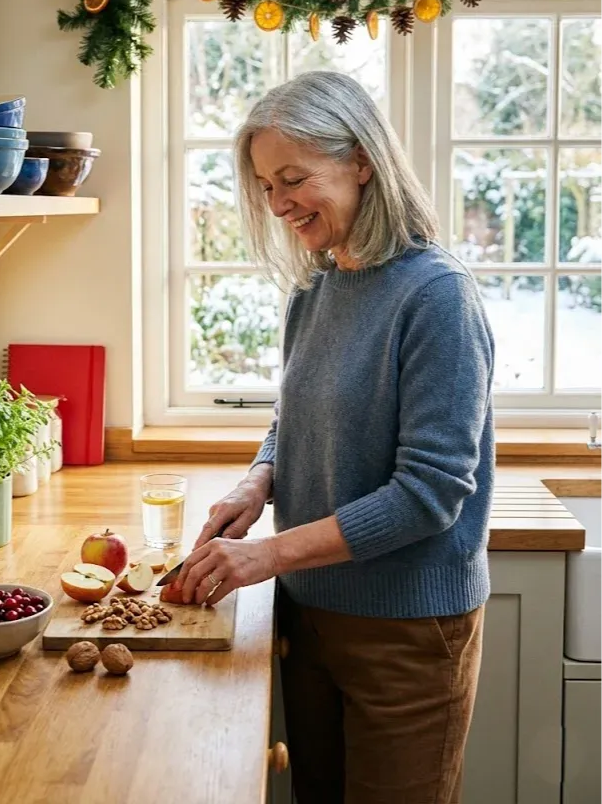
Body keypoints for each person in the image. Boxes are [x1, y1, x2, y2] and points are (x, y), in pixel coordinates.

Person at [176, 70, 495, 804]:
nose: (279, 202)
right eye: (264, 185)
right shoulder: (314, 291)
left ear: (360, 162)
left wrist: (264, 554)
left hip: (407, 630)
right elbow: (291, 421)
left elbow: (428, 495)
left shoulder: (435, 295)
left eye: (293, 177)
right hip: (309, 612)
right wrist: (256, 484)